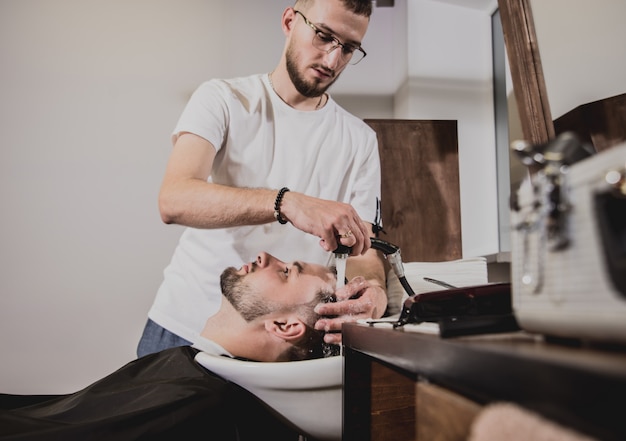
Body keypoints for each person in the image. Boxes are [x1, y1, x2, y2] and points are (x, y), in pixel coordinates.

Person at [138, 0, 388, 357]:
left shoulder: (360, 139)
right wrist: (286, 202)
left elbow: (361, 246)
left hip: (273, 346)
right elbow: (174, 199)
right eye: (323, 36)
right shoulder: (222, 99)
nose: (332, 60)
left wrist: (374, 290)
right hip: (182, 325)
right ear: (290, 21)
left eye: (348, 48)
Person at [0, 252, 343, 441]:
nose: (264, 255)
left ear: (284, 326)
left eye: (286, 272)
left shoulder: (202, 403)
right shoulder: (196, 377)